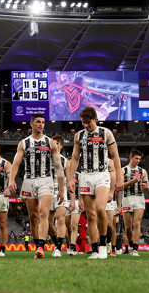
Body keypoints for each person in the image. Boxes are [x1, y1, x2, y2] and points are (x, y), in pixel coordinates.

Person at [67, 106, 122, 260]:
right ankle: (95, 249)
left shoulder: (106, 133)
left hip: (101, 175)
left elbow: (115, 156)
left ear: (96, 119)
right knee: (90, 216)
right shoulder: (78, 136)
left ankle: (104, 246)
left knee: (100, 209)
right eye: (83, 123)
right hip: (85, 175)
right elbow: (75, 158)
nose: (86, 125)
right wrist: (71, 179)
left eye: (88, 122)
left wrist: (118, 178)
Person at [8, 113, 64, 259]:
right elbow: (15, 164)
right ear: (31, 124)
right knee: (32, 217)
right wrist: (11, 180)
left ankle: (40, 247)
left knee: (43, 213)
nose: (41, 124)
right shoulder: (24, 143)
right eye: (38, 122)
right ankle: (54, 244)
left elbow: (58, 167)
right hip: (29, 181)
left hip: (46, 180)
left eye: (43, 122)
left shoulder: (51, 143)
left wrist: (62, 189)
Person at [120, 149, 149, 256]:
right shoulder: (123, 171)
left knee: (137, 223)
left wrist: (146, 187)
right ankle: (131, 243)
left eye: (139, 159)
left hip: (139, 198)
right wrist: (133, 181)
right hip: (127, 198)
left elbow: (148, 186)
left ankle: (135, 248)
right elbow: (120, 186)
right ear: (130, 158)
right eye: (136, 158)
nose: (137, 161)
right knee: (128, 226)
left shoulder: (143, 171)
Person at [49, 135, 69, 257]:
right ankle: (56, 242)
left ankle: (59, 247)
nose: (54, 145)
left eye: (57, 143)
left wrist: (72, 199)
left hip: (61, 190)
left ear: (61, 146)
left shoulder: (66, 161)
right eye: (52, 143)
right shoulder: (45, 159)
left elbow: (70, 179)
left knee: (61, 218)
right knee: (47, 222)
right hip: (46, 191)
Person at [66, 171, 84, 256]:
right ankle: (69, 244)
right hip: (65, 201)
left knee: (74, 225)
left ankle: (73, 246)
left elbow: (82, 188)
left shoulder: (79, 175)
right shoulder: (62, 174)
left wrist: (81, 200)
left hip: (76, 201)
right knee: (67, 226)